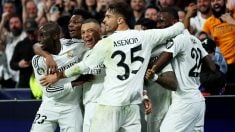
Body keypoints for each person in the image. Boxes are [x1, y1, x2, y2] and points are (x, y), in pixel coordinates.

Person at [40, 2, 185, 132]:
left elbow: (83, 66)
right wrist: (181, 22)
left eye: (108, 17)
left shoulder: (107, 43)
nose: (104, 20)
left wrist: (59, 75)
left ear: (120, 20)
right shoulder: (146, 36)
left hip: (110, 105)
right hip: (132, 107)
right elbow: (177, 29)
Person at [145, 7, 217, 132]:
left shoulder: (178, 40)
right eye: (157, 22)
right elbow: (212, 67)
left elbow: (156, 66)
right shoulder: (195, 40)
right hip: (198, 99)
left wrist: (145, 62)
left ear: (174, 23)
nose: (158, 25)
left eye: (162, 21)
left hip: (185, 100)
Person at [30, 22, 83, 132]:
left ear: (55, 36)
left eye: (43, 35)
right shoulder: (38, 60)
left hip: (71, 108)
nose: (39, 39)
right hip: (49, 106)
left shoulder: (75, 46)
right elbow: (48, 91)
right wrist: (73, 84)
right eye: (39, 35)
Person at [202, 0, 235, 84]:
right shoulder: (209, 22)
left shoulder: (233, 15)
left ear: (225, 2)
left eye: (219, 0)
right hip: (221, 67)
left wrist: (232, 21)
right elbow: (202, 40)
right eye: (213, 1)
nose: (216, 3)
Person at [10, 19, 38, 88]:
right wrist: (19, 64)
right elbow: (12, 64)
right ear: (26, 32)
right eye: (29, 32)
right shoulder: (21, 45)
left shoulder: (42, 44)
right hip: (24, 82)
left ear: (37, 30)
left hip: (39, 82)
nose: (31, 34)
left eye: (32, 31)